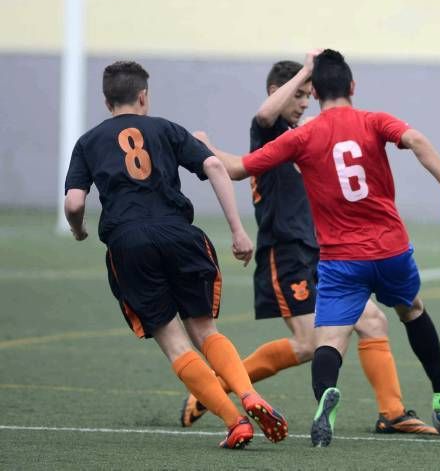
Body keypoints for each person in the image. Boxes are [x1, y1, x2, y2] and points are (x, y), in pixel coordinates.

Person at [194, 48, 440, 447]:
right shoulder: (375, 120)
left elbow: (236, 169)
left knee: (327, 341)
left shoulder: (304, 136)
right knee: (411, 310)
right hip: (390, 249)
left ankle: (327, 397)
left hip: (340, 260)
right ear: (353, 86)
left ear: (316, 94)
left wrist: (200, 146)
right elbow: (415, 138)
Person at [63, 61, 288, 449]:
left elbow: (73, 202)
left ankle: (235, 421)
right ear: (143, 96)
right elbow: (215, 165)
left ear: (106, 100)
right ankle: (248, 393)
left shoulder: (88, 141)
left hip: (129, 242)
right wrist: (237, 231)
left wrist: (79, 229)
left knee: (174, 341)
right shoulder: (166, 129)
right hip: (181, 235)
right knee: (205, 330)